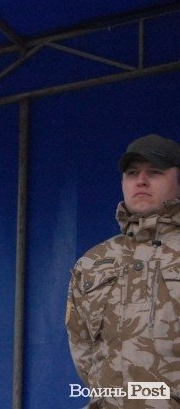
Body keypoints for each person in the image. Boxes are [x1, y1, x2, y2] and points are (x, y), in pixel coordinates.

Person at [66, 134, 180, 408]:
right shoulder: (94, 261)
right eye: (132, 173)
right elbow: (82, 349)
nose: (141, 181)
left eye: (155, 172)